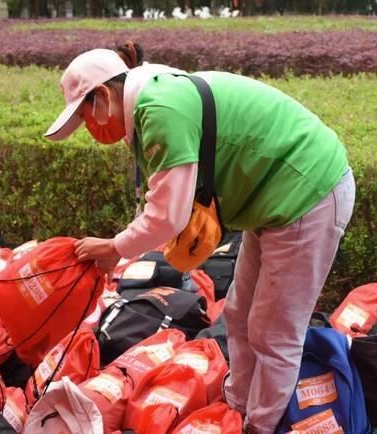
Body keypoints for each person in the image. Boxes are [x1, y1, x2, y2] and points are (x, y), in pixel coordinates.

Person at [44, 42, 355, 434]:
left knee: (275, 332)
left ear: (103, 95)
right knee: (240, 315)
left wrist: (113, 249)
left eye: (85, 118)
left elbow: (166, 216)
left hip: (306, 192)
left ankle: (258, 426)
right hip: (273, 198)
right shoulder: (153, 98)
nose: (89, 132)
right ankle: (235, 408)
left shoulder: (160, 110)